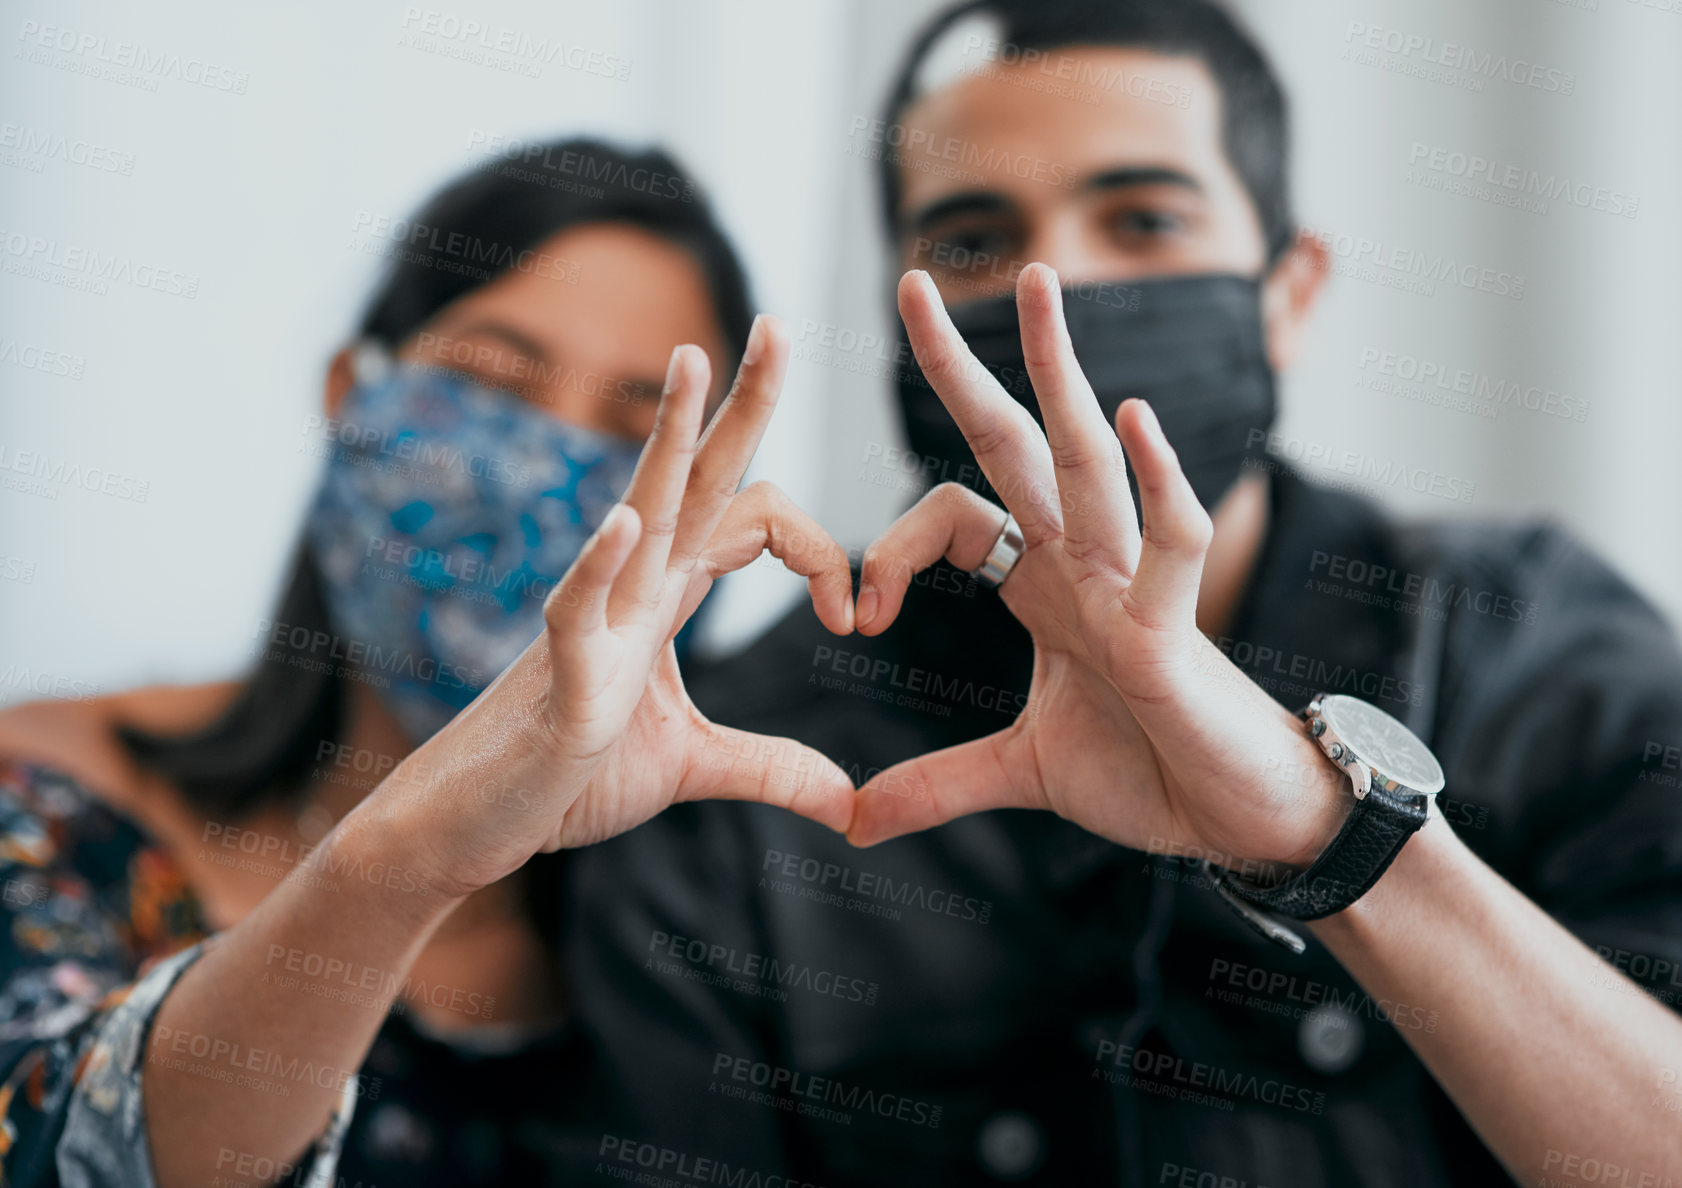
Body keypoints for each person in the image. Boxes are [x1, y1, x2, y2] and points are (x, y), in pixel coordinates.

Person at [669, 1, 1682, 1183]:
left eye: (1142, 216)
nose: (1053, 285)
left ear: (1288, 292)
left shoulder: (1533, 651)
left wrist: (1332, 841)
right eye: (969, 239)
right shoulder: (747, 753)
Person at [0, 139, 860, 1186]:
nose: (540, 470)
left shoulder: (716, 933)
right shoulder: (46, 799)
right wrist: (403, 856)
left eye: (640, 434)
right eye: (490, 380)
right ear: (349, 392)